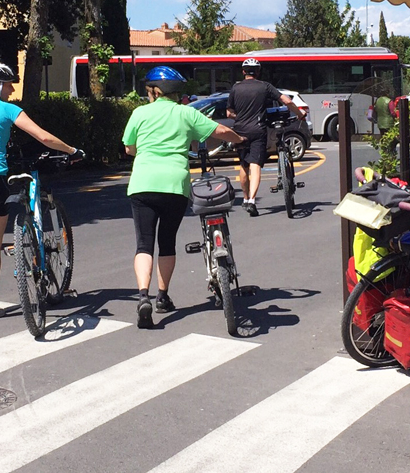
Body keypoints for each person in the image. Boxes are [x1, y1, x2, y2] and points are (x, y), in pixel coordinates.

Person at [0, 62, 83, 321]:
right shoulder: (7, 109)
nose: (12, 89)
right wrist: (71, 150)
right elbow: (43, 137)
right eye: (10, 83)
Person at [122, 66, 244, 329]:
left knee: (144, 244)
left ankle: (144, 295)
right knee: (166, 242)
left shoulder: (139, 113)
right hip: (175, 185)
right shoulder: (187, 113)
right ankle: (162, 296)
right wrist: (240, 138)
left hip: (142, 183)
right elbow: (220, 132)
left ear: (154, 92)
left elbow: (129, 148)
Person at [226, 58, 303, 217]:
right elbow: (286, 100)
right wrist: (299, 113)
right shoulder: (265, 86)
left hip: (240, 131)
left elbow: (229, 113)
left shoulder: (236, 88)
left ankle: (246, 199)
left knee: (243, 165)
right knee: (255, 165)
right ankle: (253, 201)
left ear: (243, 72)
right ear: (259, 72)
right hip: (258, 129)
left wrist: (240, 118)